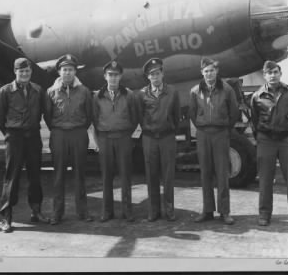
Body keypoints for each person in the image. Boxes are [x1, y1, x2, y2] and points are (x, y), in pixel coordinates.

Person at [0, 57, 48, 233]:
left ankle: (36, 211)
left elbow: (42, 112)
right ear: (15, 72)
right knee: (12, 177)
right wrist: (10, 134)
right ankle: (6, 217)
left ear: (31, 72)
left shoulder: (38, 90)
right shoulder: (5, 91)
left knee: (35, 176)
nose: (24, 74)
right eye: (21, 71)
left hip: (33, 137)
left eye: (27, 71)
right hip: (15, 137)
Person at [250, 60, 288, 227]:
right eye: (269, 73)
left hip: (287, 140)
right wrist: (262, 136)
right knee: (265, 179)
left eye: (275, 72)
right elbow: (254, 121)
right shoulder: (257, 96)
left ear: (280, 74)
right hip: (266, 140)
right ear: (264, 75)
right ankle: (264, 215)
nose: (273, 75)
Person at [44, 54, 94, 225]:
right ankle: (57, 213)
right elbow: (48, 117)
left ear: (75, 72)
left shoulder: (84, 91)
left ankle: (83, 211)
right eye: (64, 70)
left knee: (80, 173)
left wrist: (78, 127)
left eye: (70, 70)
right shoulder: (51, 92)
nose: (67, 73)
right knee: (58, 175)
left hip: (78, 134)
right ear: (59, 72)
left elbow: (89, 115)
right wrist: (59, 129)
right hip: (59, 134)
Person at [189, 57, 238, 224]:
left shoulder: (227, 90)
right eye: (206, 71)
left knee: (222, 172)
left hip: (220, 134)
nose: (209, 73)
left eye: (211, 70)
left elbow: (234, 113)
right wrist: (203, 126)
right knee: (205, 173)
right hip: (203, 134)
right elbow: (193, 114)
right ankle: (207, 210)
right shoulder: (195, 91)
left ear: (216, 71)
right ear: (202, 73)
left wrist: (223, 128)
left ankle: (224, 212)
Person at [93, 61, 138, 222]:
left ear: (121, 76)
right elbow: (94, 120)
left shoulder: (129, 95)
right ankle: (107, 211)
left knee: (126, 175)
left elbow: (135, 118)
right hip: (105, 138)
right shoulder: (97, 96)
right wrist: (98, 142)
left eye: (116, 75)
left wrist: (126, 134)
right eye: (110, 75)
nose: (113, 78)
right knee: (106, 176)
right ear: (105, 76)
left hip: (123, 138)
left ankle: (127, 211)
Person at [137, 58, 181, 222]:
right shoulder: (142, 94)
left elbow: (177, 116)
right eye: (151, 74)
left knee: (168, 175)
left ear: (162, 74)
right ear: (148, 77)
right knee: (151, 175)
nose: (155, 77)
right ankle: (154, 211)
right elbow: (139, 116)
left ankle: (169, 210)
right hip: (149, 139)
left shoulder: (172, 92)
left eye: (157, 73)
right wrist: (149, 129)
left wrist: (169, 128)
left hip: (167, 138)